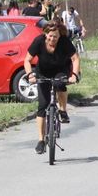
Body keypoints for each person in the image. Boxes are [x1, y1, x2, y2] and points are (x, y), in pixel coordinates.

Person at [23, 20, 81, 154]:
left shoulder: (64, 42)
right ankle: (41, 141)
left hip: (61, 70)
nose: (52, 39)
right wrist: (30, 75)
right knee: (42, 106)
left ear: (59, 36)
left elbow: (75, 58)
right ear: (45, 34)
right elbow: (27, 60)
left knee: (60, 84)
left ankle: (62, 110)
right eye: (50, 36)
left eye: (55, 36)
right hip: (43, 72)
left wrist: (74, 75)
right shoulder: (39, 41)